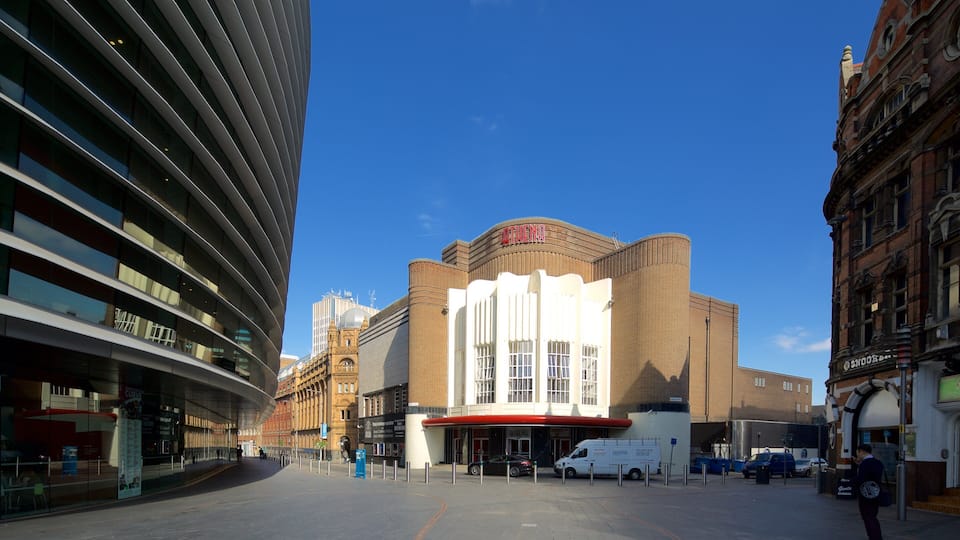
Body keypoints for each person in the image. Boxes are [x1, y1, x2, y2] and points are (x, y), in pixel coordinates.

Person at [853, 443, 884, 540]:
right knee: (873, 516)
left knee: (868, 518)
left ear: (861, 451)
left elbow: (861, 479)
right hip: (876, 493)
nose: (857, 455)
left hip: (865, 495)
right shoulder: (878, 463)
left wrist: (852, 481)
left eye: (857, 452)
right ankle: (876, 536)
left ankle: (874, 537)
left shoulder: (864, 464)